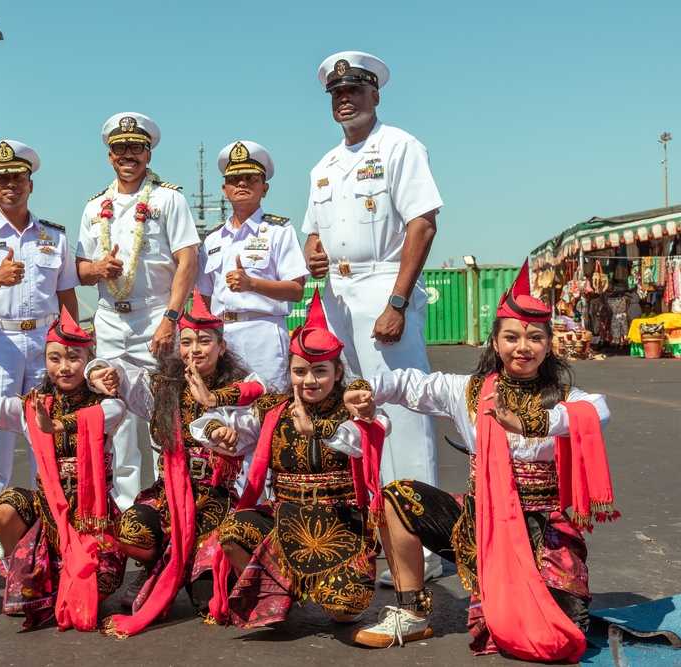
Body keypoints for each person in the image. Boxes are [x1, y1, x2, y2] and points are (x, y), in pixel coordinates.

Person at [351, 262, 616, 663]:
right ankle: (411, 612)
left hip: (539, 526)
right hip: (480, 523)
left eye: (534, 338)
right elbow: (409, 383)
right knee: (397, 498)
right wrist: (367, 390)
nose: (522, 347)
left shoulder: (565, 396)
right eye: (511, 337)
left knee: (562, 632)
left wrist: (534, 421)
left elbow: (599, 412)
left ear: (548, 345)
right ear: (495, 342)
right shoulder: (469, 391)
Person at [301, 52, 442, 582]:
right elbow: (314, 228)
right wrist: (312, 249)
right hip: (338, 290)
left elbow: (422, 225)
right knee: (363, 415)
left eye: (355, 88)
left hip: (384, 284)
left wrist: (399, 302)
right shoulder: (325, 165)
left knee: (404, 414)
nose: (345, 97)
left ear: (374, 95)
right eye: (336, 91)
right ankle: (384, 533)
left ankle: (421, 546)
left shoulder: (400, 146)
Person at [0, 308, 127, 631]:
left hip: (93, 518)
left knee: (95, 588)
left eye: (74, 358)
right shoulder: (32, 406)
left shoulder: (105, 403)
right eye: (54, 358)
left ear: (89, 361)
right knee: (6, 506)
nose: (64, 367)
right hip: (50, 515)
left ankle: (59, 577)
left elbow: (107, 415)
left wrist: (55, 424)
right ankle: (31, 568)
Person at [190, 289, 388, 627]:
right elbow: (235, 433)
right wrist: (216, 431)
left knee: (344, 606)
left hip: (341, 525)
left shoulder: (355, 409)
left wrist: (319, 428)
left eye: (320, 371)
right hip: (284, 521)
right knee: (233, 533)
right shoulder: (275, 410)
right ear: (290, 371)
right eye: (300, 372)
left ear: (338, 373)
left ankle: (322, 584)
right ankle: (283, 588)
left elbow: (366, 438)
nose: (309, 381)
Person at [85, 290, 264, 637]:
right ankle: (153, 569)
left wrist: (231, 435)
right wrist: (101, 371)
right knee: (133, 528)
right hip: (169, 497)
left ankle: (201, 570)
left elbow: (256, 414)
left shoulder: (240, 389)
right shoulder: (164, 387)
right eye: (186, 342)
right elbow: (123, 374)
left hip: (217, 501)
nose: (195, 349)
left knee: (208, 601)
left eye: (205, 341)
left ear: (222, 347)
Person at [0, 140, 79, 567]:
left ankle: (48, 519)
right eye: (2, 180)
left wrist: (71, 345)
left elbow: (66, 297)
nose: (10, 186)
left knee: (47, 432)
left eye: (17, 179)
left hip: (44, 343)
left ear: (30, 184)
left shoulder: (53, 237)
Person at [75, 112, 200, 512]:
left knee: (165, 410)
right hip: (110, 317)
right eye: (120, 148)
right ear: (110, 155)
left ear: (148, 153)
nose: (128, 155)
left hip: (154, 316)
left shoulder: (168, 199)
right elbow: (78, 267)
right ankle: (129, 512)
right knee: (118, 413)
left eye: (136, 148)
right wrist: (96, 269)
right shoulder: (95, 207)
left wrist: (171, 318)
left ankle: (171, 502)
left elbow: (188, 260)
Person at [196, 140, 307, 392]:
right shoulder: (212, 239)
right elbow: (203, 298)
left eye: (251, 178)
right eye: (235, 179)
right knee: (225, 411)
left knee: (269, 407)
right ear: (225, 189)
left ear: (264, 188)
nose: (242, 184)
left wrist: (252, 284)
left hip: (263, 332)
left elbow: (296, 290)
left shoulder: (279, 230)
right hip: (221, 337)